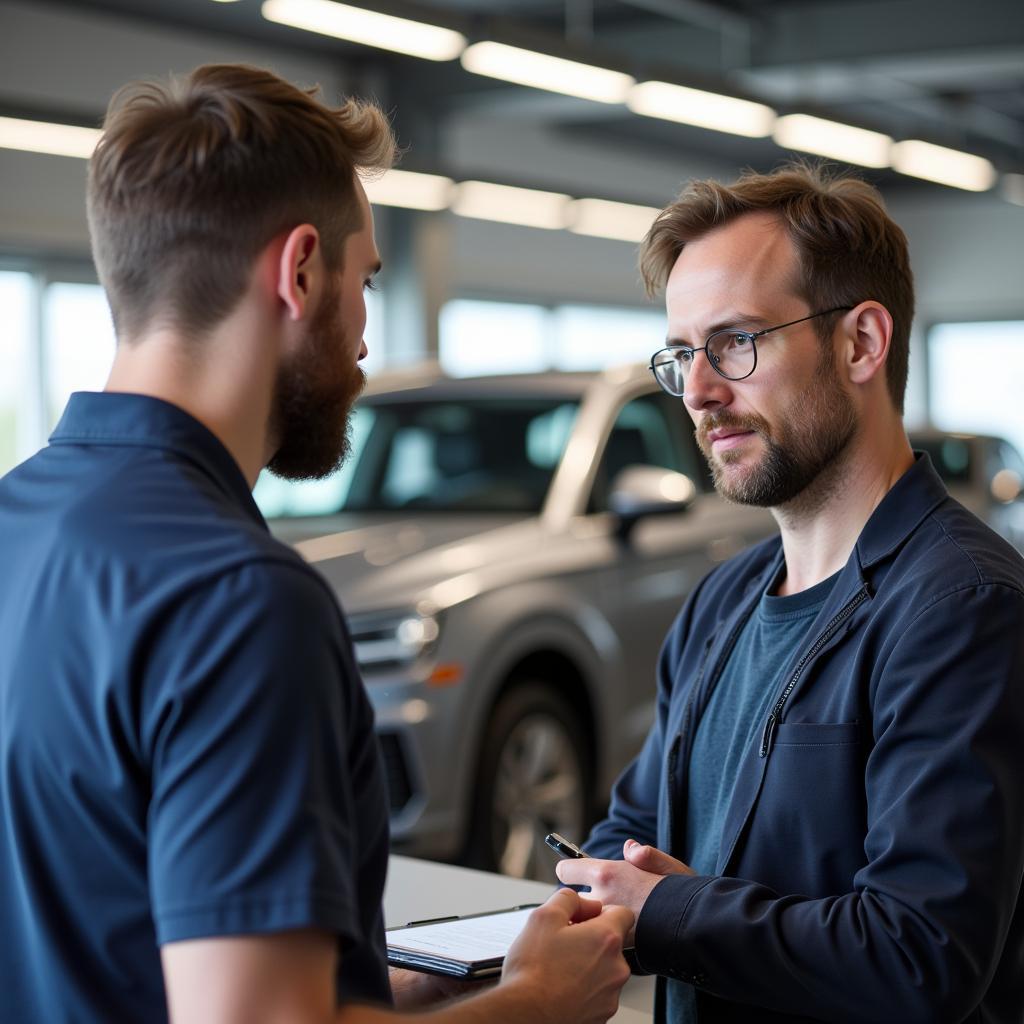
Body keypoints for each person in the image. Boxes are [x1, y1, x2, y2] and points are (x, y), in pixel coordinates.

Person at [0, 64, 633, 1024]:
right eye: (367, 280)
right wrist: (539, 1004)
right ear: (300, 272)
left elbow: (101, 928)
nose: (367, 339)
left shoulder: (18, 523)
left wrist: (362, 987)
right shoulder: (235, 599)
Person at [556, 164, 1024, 1022]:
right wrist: (590, 893)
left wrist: (668, 911)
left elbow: (921, 955)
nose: (698, 391)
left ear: (860, 344)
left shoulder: (962, 610)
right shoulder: (720, 604)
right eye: (683, 354)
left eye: (737, 341)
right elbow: (631, 828)